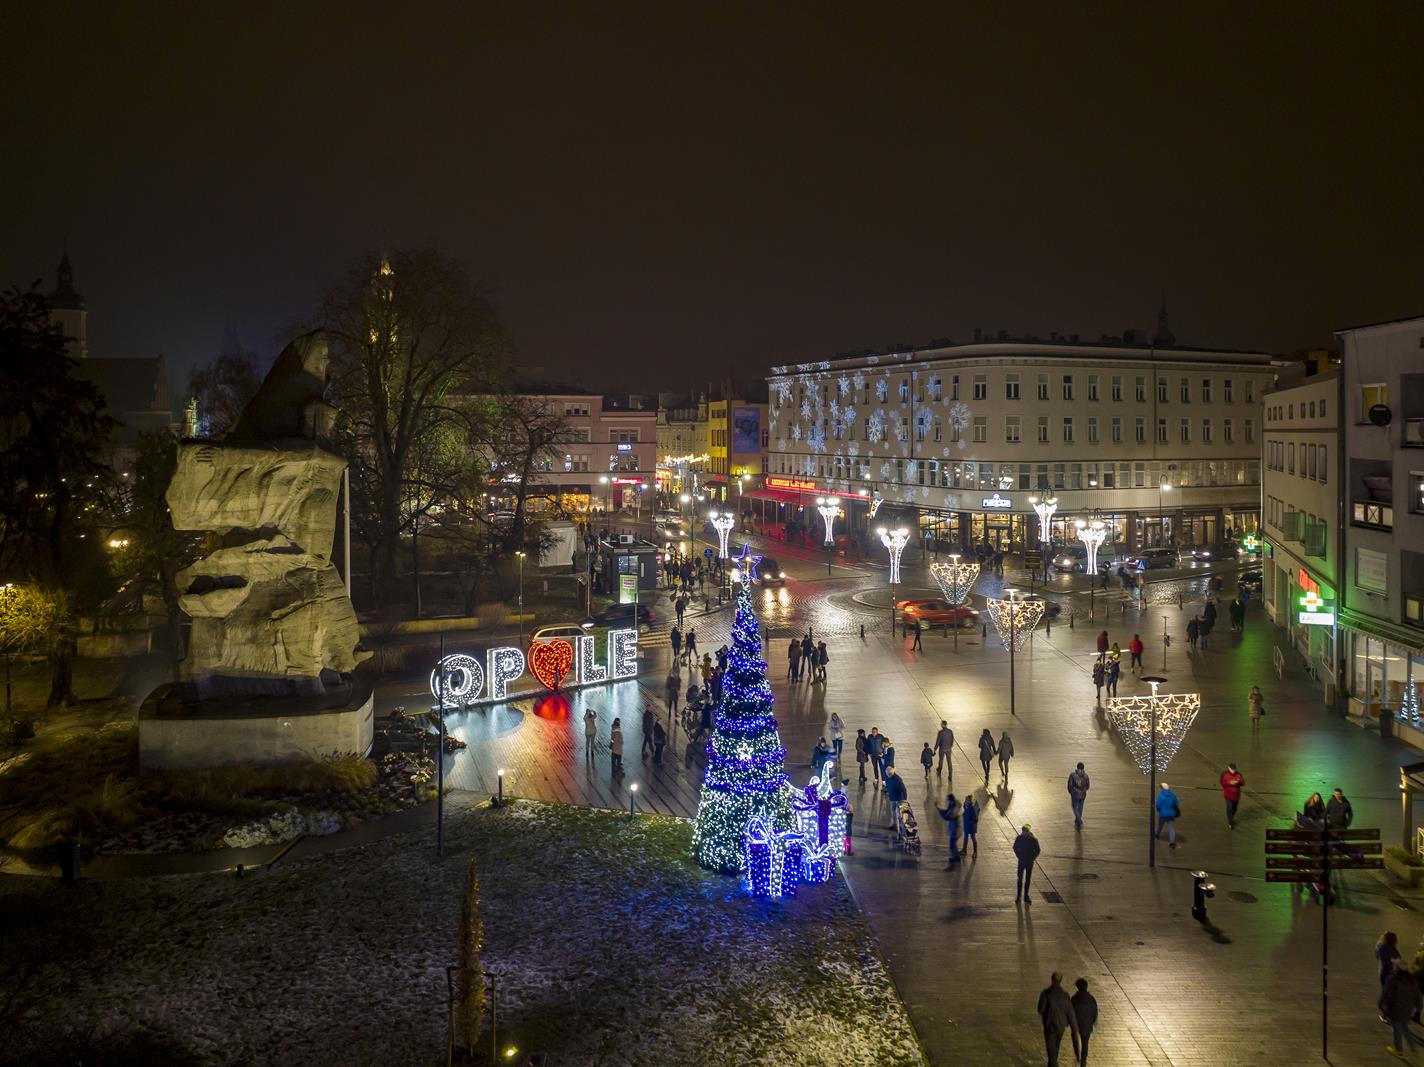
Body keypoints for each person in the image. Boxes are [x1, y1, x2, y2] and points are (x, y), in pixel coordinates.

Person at [1381, 962, 1423, 1058]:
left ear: (1397, 969)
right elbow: (1418, 996)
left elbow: (1387, 995)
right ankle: (1413, 1047)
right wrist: (1418, 1008)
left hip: (1395, 1009)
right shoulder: (1413, 980)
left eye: (1395, 967)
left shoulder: (1393, 979)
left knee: (1397, 1029)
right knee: (1404, 1027)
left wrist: (1383, 1004)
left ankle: (1399, 1050)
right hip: (1408, 1010)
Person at [1071, 977, 1099, 1067]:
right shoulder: (1091, 999)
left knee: (1074, 1036)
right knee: (1085, 1042)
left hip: (1076, 1024)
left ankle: (1077, 1054)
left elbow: (1070, 1011)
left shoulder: (1074, 998)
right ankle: (1083, 1060)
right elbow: (1095, 1011)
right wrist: (1093, 1021)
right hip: (1087, 1024)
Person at [1014, 824, 1041, 903]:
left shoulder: (1033, 840)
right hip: (1021, 862)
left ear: (1028, 832)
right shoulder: (1019, 838)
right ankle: (1018, 896)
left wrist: (1032, 858)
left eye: (1025, 831)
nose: (1023, 833)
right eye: (1023, 831)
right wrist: (1018, 856)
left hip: (1029, 862)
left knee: (1028, 879)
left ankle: (1026, 895)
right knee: (1020, 879)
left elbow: (1038, 850)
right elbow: (1014, 847)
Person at [937, 792, 962, 864]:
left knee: (952, 843)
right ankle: (956, 857)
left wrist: (939, 811)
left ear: (951, 800)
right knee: (953, 843)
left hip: (956, 829)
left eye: (948, 800)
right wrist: (939, 809)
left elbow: (947, 817)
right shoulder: (952, 805)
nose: (947, 801)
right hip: (955, 828)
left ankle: (955, 857)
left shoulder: (954, 809)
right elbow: (946, 812)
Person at [1155, 782, 1180, 847]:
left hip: (1163, 814)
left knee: (1160, 825)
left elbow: (1158, 805)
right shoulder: (1172, 795)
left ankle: (1157, 835)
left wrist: (1159, 810)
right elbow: (1176, 802)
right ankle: (1172, 842)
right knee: (1171, 828)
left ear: (1162, 788)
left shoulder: (1161, 796)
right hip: (1171, 814)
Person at [1220, 763, 1245, 829]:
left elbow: (1243, 783)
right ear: (1228, 768)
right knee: (1230, 808)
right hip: (1228, 795)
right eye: (1232, 769)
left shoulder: (1238, 774)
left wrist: (1238, 782)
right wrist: (1230, 782)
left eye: (1234, 770)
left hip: (1236, 795)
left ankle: (1231, 818)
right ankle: (1230, 823)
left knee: (1234, 809)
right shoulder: (1224, 774)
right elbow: (1222, 783)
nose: (1233, 771)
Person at [884, 767, 908, 833]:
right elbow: (888, 785)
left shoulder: (897, 779)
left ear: (892, 773)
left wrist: (903, 800)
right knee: (893, 812)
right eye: (888, 774)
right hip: (892, 798)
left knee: (899, 814)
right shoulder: (888, 777)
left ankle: (900, 827)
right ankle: (893, 824)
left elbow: (903, 790)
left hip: (898, 799)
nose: (888, 775)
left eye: (890, 774)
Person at [1067, 762, 1090, 829]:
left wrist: (1071, 792)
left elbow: (1070, 785)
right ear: (1083, 768)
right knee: (1080, 808)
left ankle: (1079, 820)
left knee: (1074, 807)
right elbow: (1088, 786)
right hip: (1083, 794)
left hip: (1075, 794)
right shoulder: (1086, 776)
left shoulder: (1072, 775)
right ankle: (1077, 821)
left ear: (1077, 767)